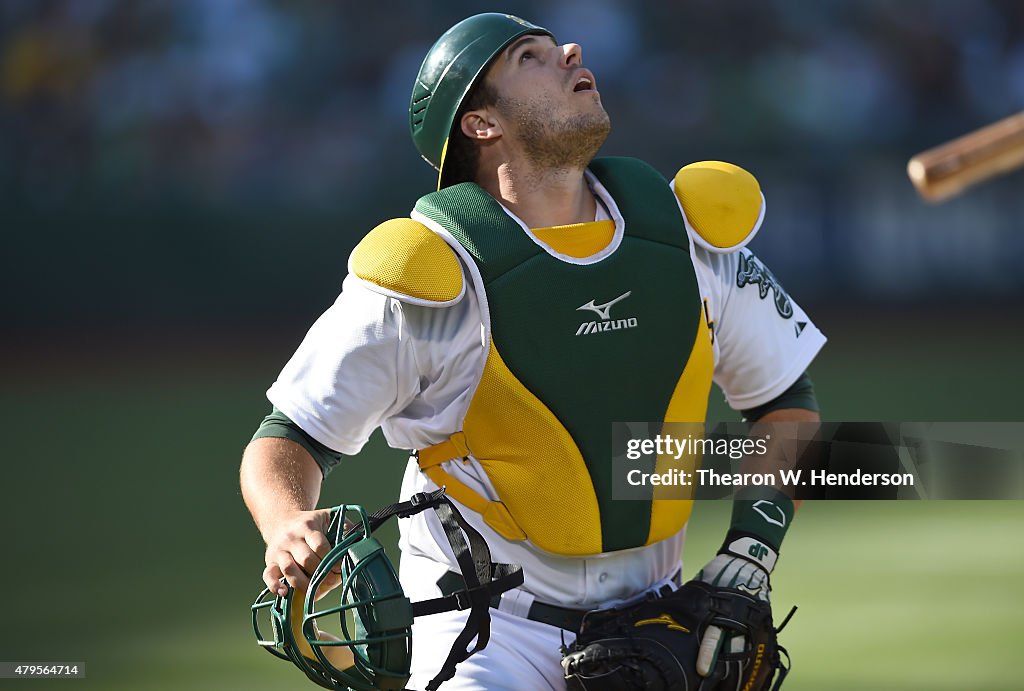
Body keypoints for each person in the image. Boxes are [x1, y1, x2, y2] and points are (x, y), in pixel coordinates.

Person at [240, 12, 825, 690]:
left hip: (660, 628)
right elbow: (290, 435)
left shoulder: (687, 236)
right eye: (530, 57)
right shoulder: (431, 274)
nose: (570, 51)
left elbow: (785, 403)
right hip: (486, 639)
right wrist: (285, 521)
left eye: (559, 47)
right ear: (480, 124)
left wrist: (753, 546)